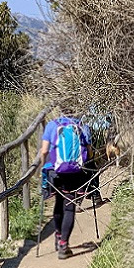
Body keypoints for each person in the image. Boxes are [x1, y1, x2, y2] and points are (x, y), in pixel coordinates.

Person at [40, 108, 91, 259]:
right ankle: (63, 245)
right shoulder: (83, 126)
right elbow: (89, 152)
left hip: (56, 172)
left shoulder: (52, 125)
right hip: (75, 173)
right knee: (69, 207)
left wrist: (43, 167)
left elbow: (44, 151)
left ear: (61, 111)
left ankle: (57, 235)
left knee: (58, 201)